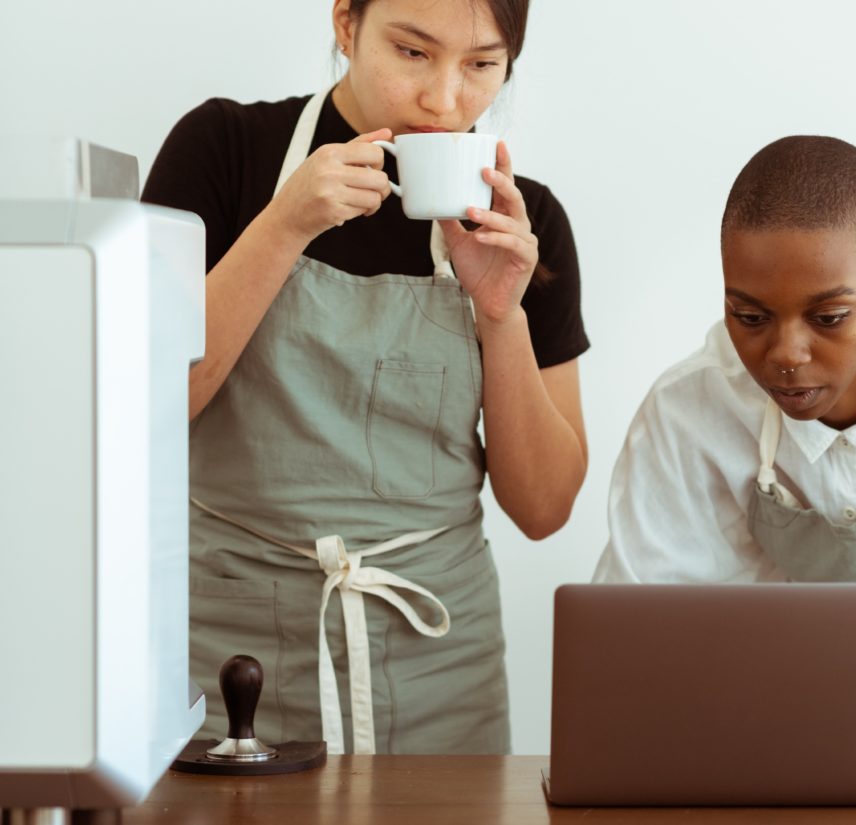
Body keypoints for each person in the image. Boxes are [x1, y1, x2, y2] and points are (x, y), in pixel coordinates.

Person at [142, 0, 588, 755]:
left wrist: (501, 314)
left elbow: (543, 507)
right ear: (346, 24)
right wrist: (284, 226)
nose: (445, 101)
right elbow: (150, 407)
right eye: (413, 52)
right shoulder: (224, 152)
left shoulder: (526, 220)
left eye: (482, 64)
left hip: (441, 665)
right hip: (225, 656)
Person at [593, 135, 856, 766]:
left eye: (827, 318)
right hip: (802, 721)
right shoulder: (691, 411)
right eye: (749, 317)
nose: (785, 356)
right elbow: (634, 655)